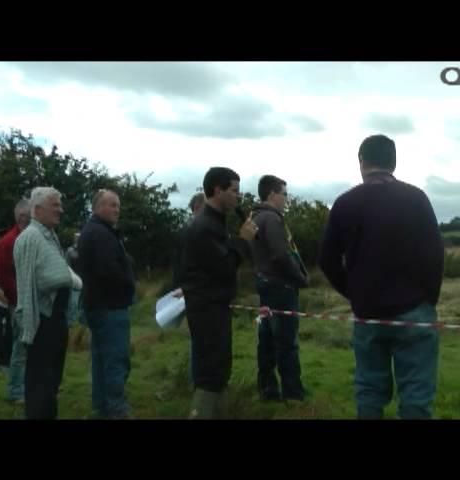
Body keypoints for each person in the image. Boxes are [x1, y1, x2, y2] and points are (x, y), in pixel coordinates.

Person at [319, 134, 444, 419]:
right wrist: (427, 299)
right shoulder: (416, 198)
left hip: (368, 314)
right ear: (394, 162)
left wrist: (355, 293)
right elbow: (435, 254)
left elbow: (326, 260)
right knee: (416, 394)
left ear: (361, 162)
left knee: (369, 391)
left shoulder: (345, 203)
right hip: (414, 310)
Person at [180, 167, 257, 419]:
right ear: (217, 190)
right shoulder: (204, 226)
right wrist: (244, 241)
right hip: (207, 308)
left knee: (219, 369)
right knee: (211, 373)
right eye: (234, 191)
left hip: (215, 306)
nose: (238, 197)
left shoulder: (215, 223)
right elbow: (224, 267)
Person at [13, 187, 82, 419]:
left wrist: (69, 277)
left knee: (52, 381)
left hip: (55, 319)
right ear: (38, 209)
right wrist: (70, 277)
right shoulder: (30, 238)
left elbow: (59, 272)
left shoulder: (48, 236)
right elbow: (38, 280)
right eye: (56, 205)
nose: (61, 210)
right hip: (41, 321)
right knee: (40, 383)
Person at [250, 175, 309, 401]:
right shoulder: (273, 220)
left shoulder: (254, 218)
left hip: (264, 283)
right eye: (284, 194)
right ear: (272, 194)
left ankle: (267, 387)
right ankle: (293, 394)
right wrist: (300, 278)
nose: (286, 199)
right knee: (286, 342)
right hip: (281, 287)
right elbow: (281, 255)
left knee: (266, 339)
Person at [78, 189, 135, 419]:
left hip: (97, 305)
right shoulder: (101, 234)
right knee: (115, 360)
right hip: (110, 307)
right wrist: (128, 285)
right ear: (97, 207)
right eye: (112, 205)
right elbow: (108, 272)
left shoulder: (94, 231)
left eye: (118, 205)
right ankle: (116, 408)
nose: (117, 209)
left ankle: (102, 405)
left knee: (102, 359)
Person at [0, 198, 31, 404]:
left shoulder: (27, 238)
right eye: (31, 215)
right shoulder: (7, 242)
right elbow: (3, 276)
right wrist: (18, 299)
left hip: (28, 301)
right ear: (21, 217)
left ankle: (29, 384)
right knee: (21, 346)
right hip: (18, 303)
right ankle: (16, 390)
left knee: (29, 346)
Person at [171, 192, 205, 381]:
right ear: (197, 207)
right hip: (191, 291)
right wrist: (182, 287)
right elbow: (182, 264)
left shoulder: (190, 230)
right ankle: (199, 381)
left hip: (188, 288)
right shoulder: (191, 231)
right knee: (198, 337)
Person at [65, 232, 84, 326]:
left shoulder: (85, 250)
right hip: (74, 281)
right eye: (76, 238)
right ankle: (70, 323)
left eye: (79, 238)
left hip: (84, 280)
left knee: (83, 305)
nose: (78, 239)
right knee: (73, 304)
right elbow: (66, 266)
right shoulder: (70, 251)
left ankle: (82, 325)